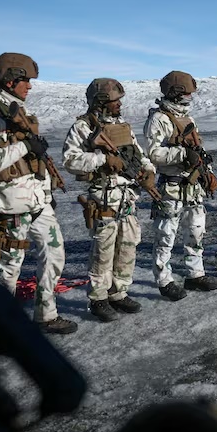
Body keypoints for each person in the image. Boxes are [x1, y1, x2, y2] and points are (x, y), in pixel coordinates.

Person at [0, 53, 77, 334]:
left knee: (54, 256)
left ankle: (46, 315)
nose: (29, 86)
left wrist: (46, 191)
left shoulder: (16, 111)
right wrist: (26, 146)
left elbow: (32, 163)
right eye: (25, 80)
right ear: (10, 80)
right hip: (12, 206)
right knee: (8, 270)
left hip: (38, 203)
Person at [63, 77, 158, 322]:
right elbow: (70, 160)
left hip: (127, 197)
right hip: (104, 197)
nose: (120, 104)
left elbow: (138, 155)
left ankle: (118, 293)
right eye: (115, 100)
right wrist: (102, 159)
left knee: (127, 247)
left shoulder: (122, 127)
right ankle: (98, 298)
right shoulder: (83, 127)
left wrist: (148, 172)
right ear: (101, 102)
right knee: (103, 251)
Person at [144, 71, 217, 300]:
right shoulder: (159, 119)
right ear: (175, 92)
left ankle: (195, 274)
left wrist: (207, 173)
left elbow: (198, 150)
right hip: (171, 186)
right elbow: (153, 154)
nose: (190, 96)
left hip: (193, 186)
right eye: (187, 92)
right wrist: (182, 154)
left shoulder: (189, 118)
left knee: (196, 232)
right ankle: (164, 280)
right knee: (165, 236)